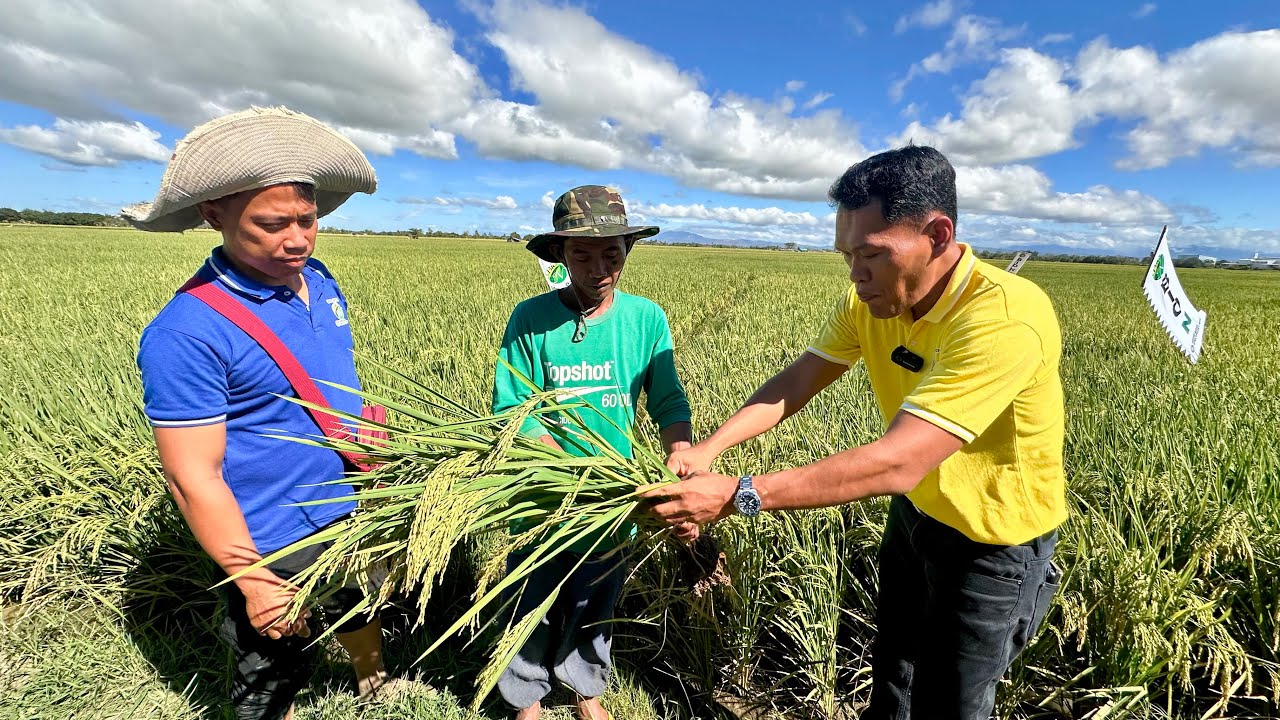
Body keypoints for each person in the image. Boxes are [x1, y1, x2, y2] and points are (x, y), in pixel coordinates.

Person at [648, 145, 1066, 720]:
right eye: (847, 256)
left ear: (938, 235)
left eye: (871, 254)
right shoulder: (871, 300)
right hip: (918, 513)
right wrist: (707, 450)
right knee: (894, 667)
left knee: (952, 700)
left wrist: (735, 494)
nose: (856, 274)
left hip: (992, 541)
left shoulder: (1005, 318)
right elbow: (798, 380)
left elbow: (899, 461)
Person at [129, 107, 388, 720]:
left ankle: (373, 679)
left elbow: (330, 381)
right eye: (272, 225)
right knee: (272, 668)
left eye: (308, 219)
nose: (296, 240)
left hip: (350, 504)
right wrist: (251, 579)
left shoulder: (318, 279)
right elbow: (193, 476)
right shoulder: (187, 333)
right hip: (270, 536)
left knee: (360, 602)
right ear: (211, 213)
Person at [492, 185, 695, 720]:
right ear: (560, 254)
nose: (598, 267)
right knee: (531, 599)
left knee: (596, 600)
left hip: (615, 500)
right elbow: (515, 409)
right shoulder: (530, 319)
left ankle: (587, 692)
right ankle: (525, 697)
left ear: (629, 250)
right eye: (582, 254)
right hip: (540, 496)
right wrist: (566, 469)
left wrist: (681, 451)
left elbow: (668, 398)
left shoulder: (646, 319)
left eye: (612, 253)